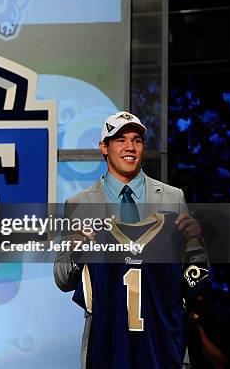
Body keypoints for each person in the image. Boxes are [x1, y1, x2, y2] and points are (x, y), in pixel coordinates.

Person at [53, 111, 203, 368]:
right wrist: (78, 251)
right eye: (120, 140)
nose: (130, 147)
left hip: (162, 341)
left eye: (136, 140)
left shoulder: (172, 197)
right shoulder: (80, 204)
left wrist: (195, 245)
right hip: (108, 342)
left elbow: (193, 274)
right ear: (104, 147)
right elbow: (62, 278)